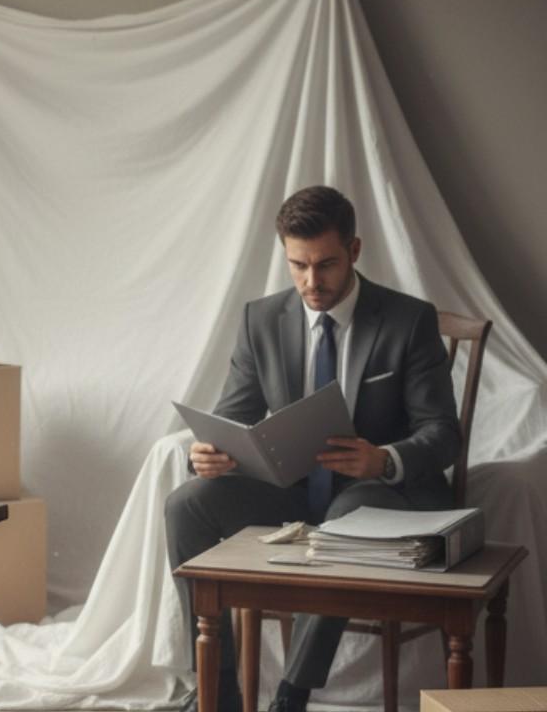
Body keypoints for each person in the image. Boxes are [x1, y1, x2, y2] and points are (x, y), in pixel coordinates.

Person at [163, 186, 459, 712]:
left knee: (346, 515)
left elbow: (442, 434)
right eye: (297, 265)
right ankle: (218, 689)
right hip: (294, 493)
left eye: (325, 265)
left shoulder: (407, 320)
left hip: (377, 497)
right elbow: (234, 414)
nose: (311, 282)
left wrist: (383, 459)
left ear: (355, 250)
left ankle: (290, 698)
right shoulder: (262, 318)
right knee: (187, 503)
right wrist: (207, 452)